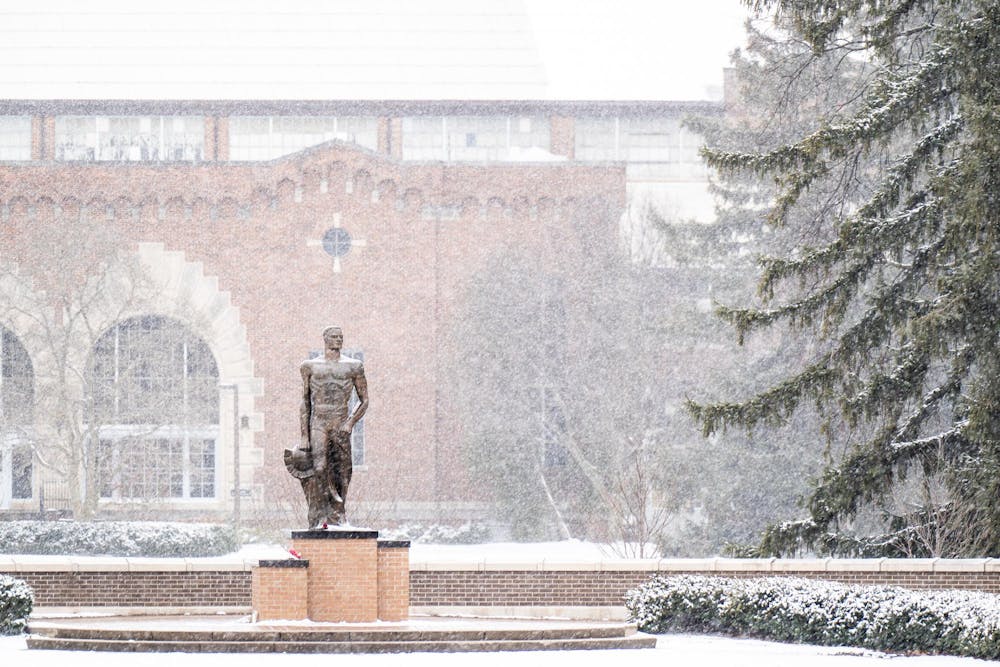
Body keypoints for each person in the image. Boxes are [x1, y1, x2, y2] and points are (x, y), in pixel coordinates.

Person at [288, 326, 368, 527]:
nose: (338, 340)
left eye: (341, 337)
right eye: (334, 337)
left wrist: (350, 422)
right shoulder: (309, 367)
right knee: (320, 467)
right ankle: (324, 511)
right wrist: (304, 436)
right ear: (325, 339)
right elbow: (305, 402)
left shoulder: (354, 366)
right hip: (319, 421)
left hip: (340, 421)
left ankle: (339, 513)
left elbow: (364, 399)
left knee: (343, 470)